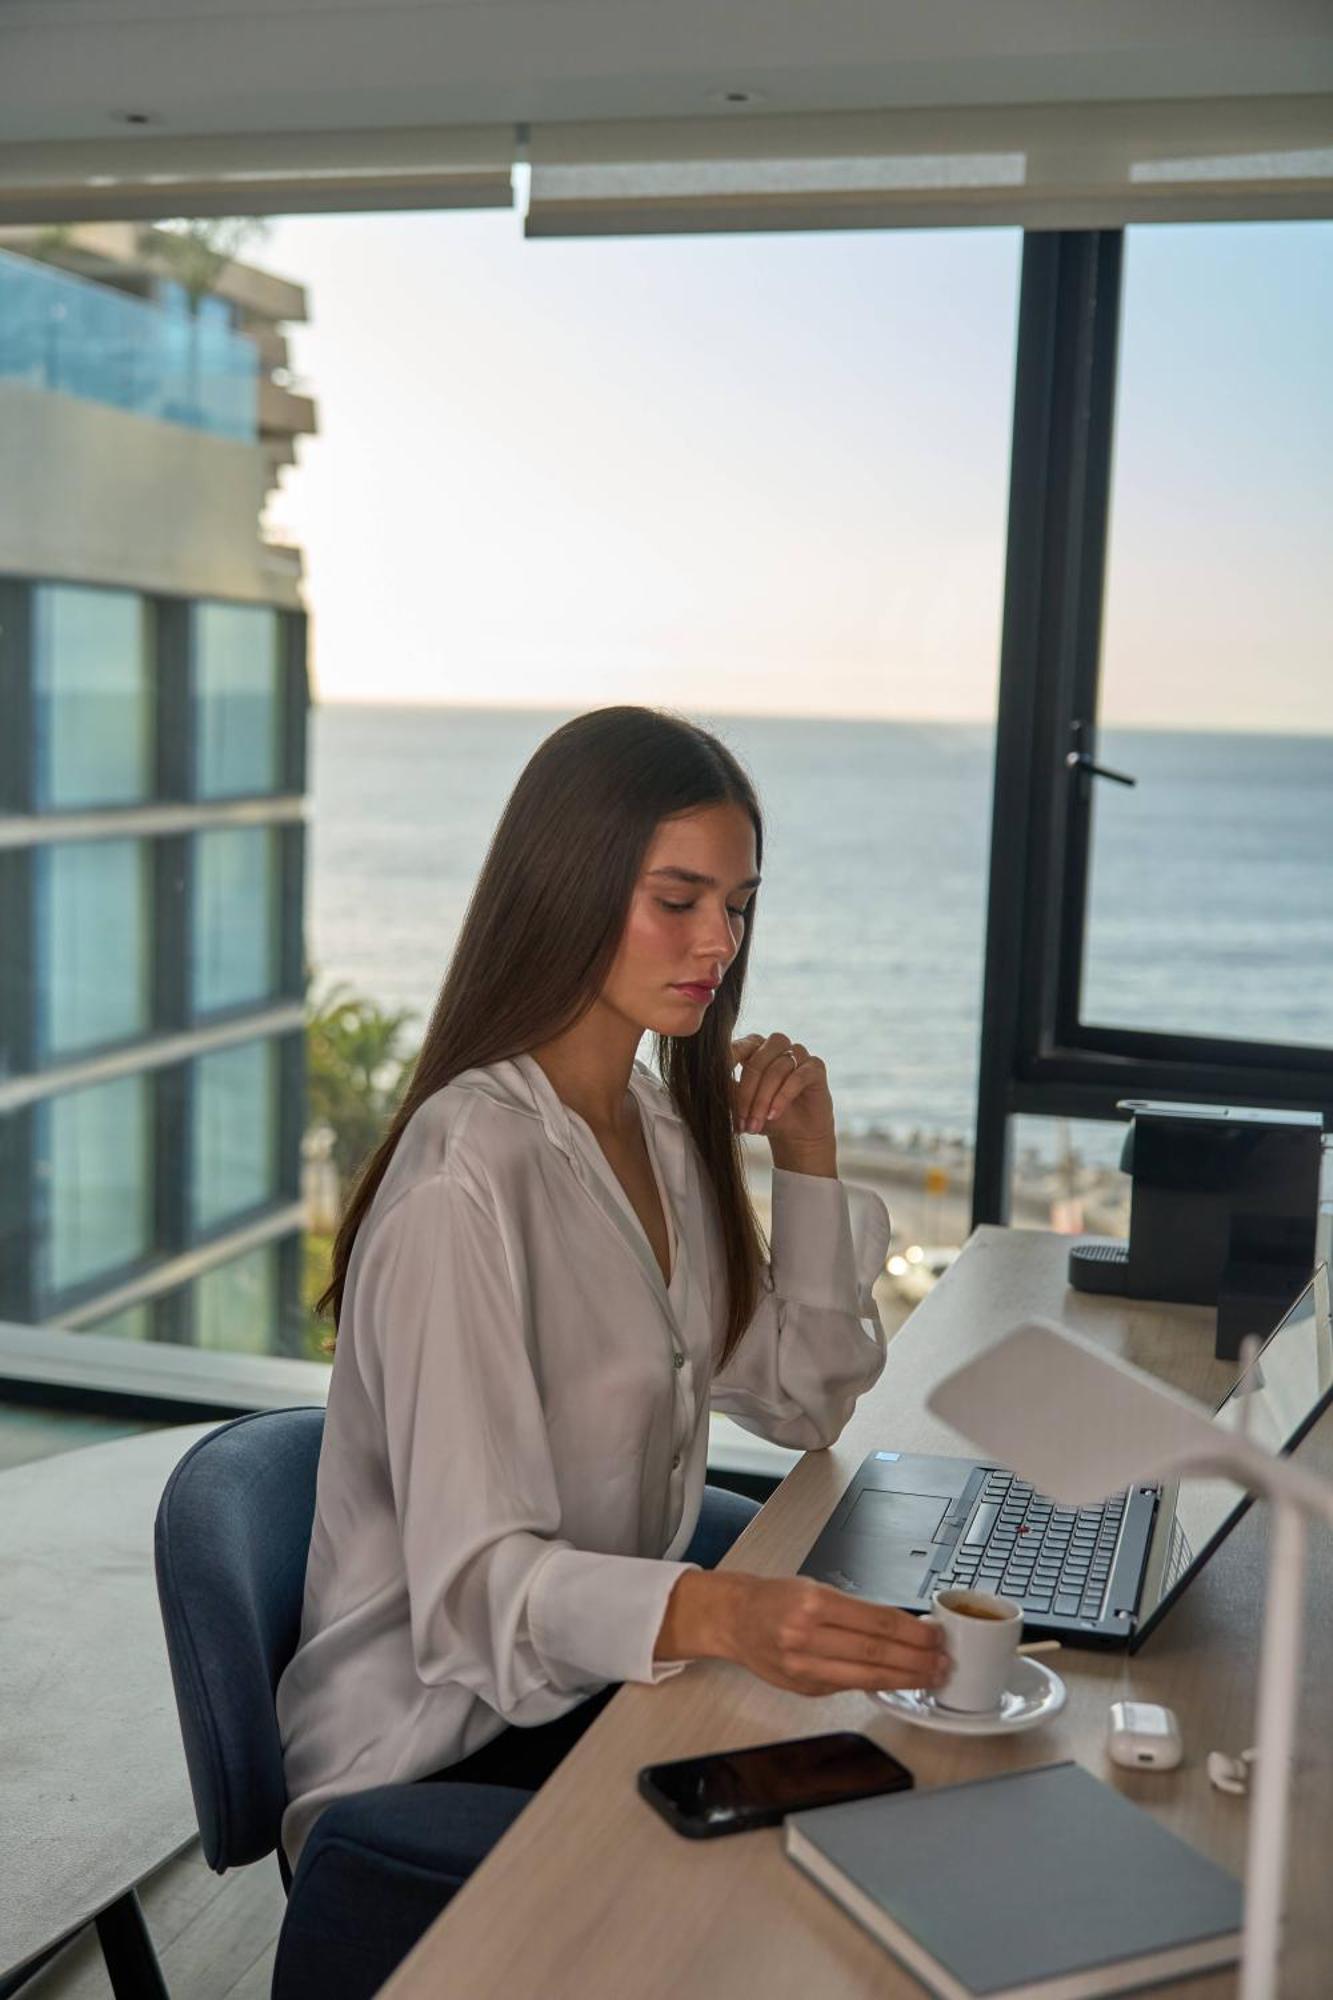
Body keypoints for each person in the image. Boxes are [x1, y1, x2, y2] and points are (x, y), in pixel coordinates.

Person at [277, 706, 948, 1876]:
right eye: (677, 898)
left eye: (736, 904)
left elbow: (802, 1400)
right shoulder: (461, 1183)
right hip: (441, 1747)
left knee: (889, 1776)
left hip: (594, 1682)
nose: (719, 941)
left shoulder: (649, 1123)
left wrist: (808, 1159)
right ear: (570, 888)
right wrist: (720, 1612)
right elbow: (474, 1598)